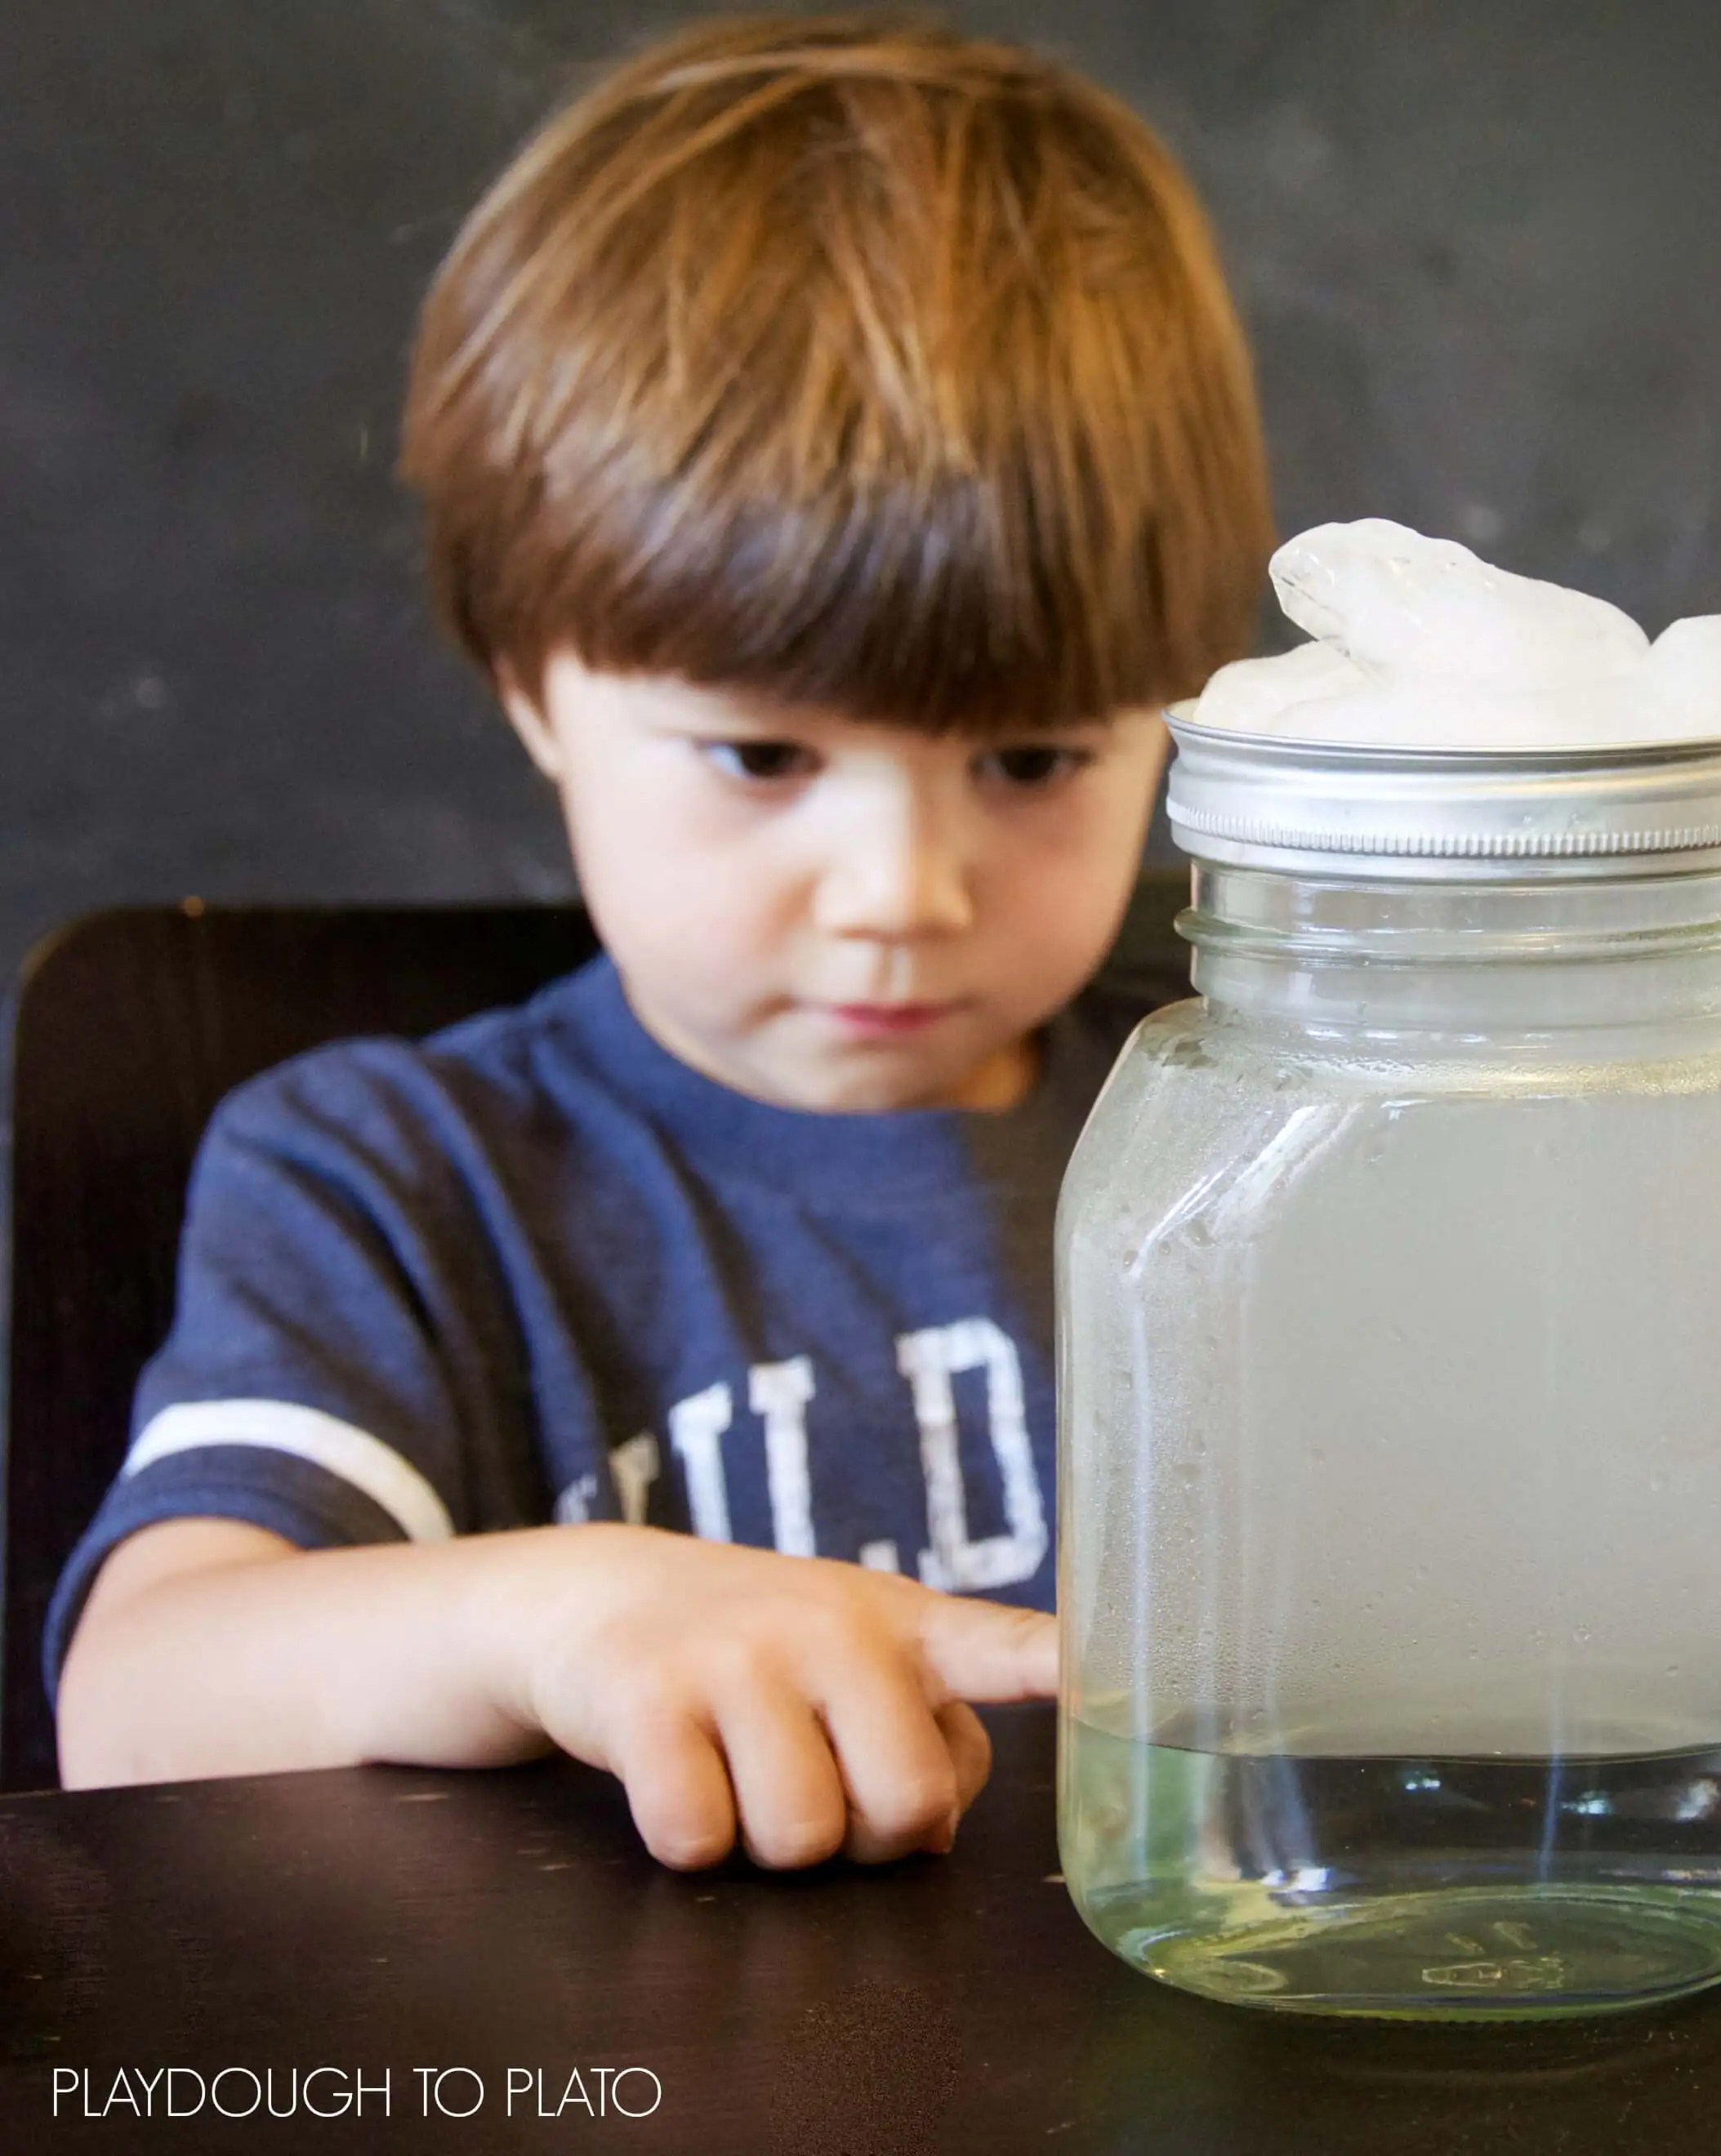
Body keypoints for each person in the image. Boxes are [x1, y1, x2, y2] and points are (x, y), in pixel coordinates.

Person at [50, 14, 1273, 1870]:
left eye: (1031, 757)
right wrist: (563, 1621)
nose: (900, 888)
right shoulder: (391, 1175)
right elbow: (137, 1709)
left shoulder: (1272, 1124)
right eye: (764, 755)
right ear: (532, 683)